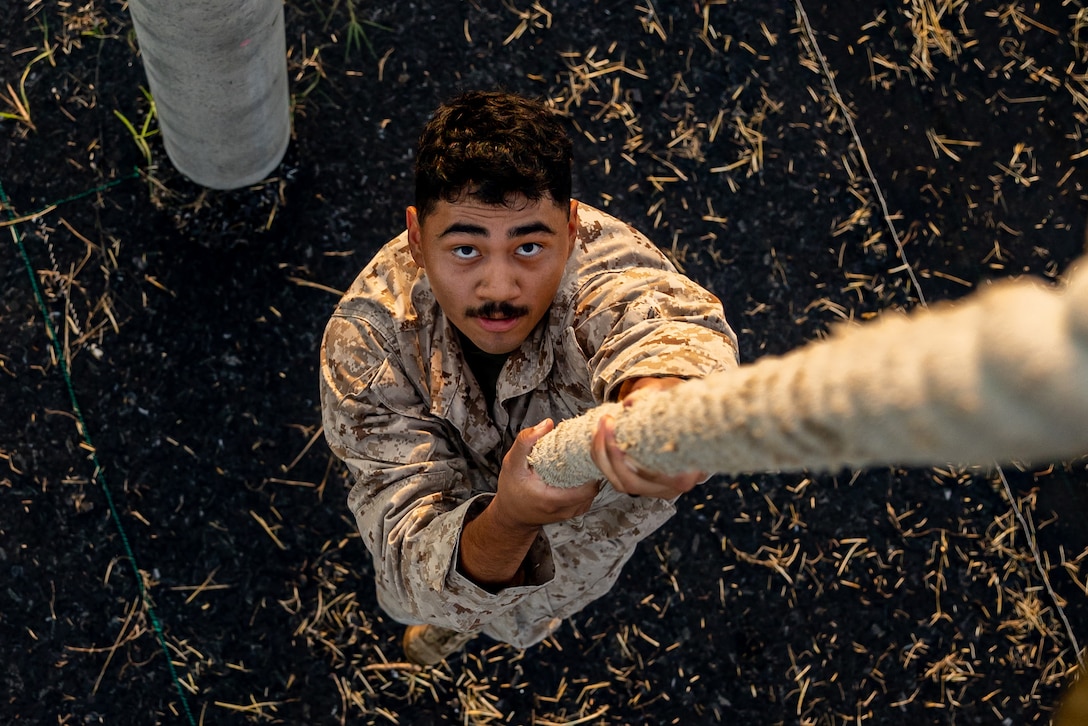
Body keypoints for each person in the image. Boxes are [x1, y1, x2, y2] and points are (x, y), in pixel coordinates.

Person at [319, 90, 739, 665]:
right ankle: (459, 621)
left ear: (572, 228)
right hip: (448, 558)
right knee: (437, 600)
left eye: (530, 246)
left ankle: (489, 620)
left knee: (537, 607)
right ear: (416, 238)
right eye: (465, 248)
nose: (499, 287)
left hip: (577, 553)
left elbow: (662, 325)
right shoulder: (367, 342)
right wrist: (510, 521)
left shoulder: (603, 266)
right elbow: (409, 552)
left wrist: (663, 407)